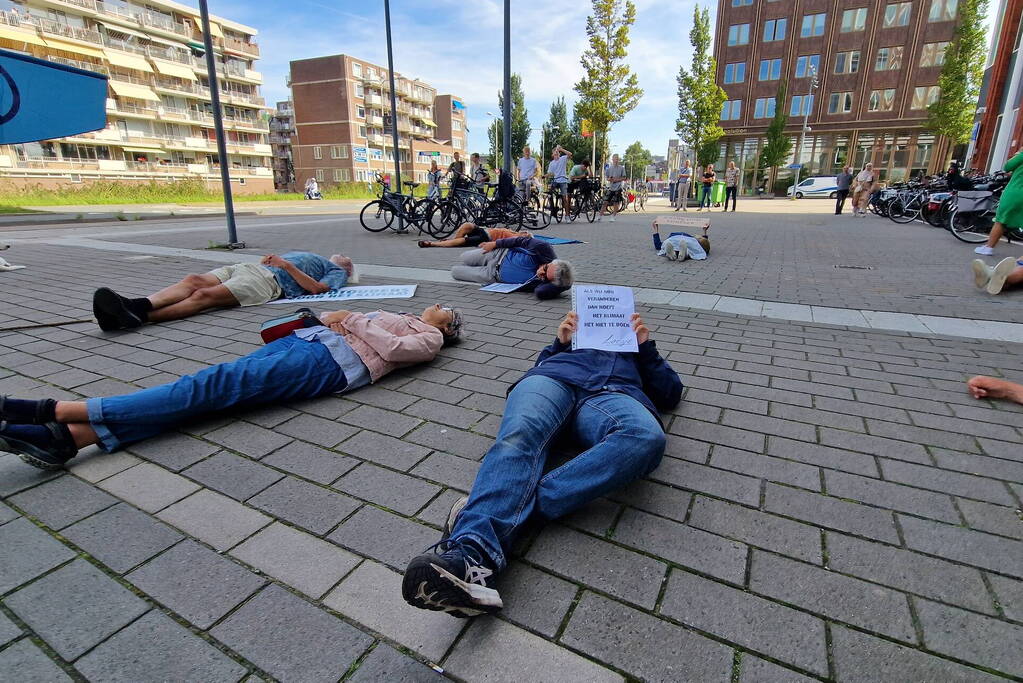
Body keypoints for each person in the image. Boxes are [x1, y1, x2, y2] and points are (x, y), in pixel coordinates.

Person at [401, 309, 682, 617]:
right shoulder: (569, 345)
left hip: (611, 395)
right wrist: (560, 342)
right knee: (518, 438)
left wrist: (645, 346)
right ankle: (471, 557)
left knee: (644, 437)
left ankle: (495, 511)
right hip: (552, 380)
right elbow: (540, 364)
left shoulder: (635, 351)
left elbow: (670, 393)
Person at [1, 305, 463, 470]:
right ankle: (69, 440)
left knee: (209, 385)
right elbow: (330, 318)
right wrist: (332, 318)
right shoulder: (402, 314)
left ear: (447, 325)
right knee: (213, 395)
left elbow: (398, 352)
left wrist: (353, 318)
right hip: (307, 342)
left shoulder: (431, 337)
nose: (438, 305)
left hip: (329, 362)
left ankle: (51, 411)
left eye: (444, 309)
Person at [92, 252, 354, 331]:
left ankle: (140, 317)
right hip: (248, 268)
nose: (341, 255)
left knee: (203, 298)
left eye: (345, 258)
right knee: (194, 280)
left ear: (346, 267)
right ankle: (136, 305)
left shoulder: (335, 270)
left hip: (269, 283)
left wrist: (285, 265)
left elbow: (317, 289)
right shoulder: (317, 257)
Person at [450, 235, 574, 299]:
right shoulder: (545, 249)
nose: (541, 272)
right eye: (545, 268)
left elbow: (540, 292)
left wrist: (562, 285)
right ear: (552, 261)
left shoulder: (547, 284)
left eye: (545, 277)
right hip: (497, 254)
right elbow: (520, 241)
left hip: (492, 276)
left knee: (455, 271)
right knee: (464, 257)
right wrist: (494, 243)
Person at [974, 150, 1023, 256]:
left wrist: (1019, 154)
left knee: (1000, 220)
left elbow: (1007, 166)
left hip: (1015, 192)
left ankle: (988, 248)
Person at [418, 223, 528, 248]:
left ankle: (433, 243)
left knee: (463, 241)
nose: (525, 232)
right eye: (525, 232)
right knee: (467, 225)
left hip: (486, 238)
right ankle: (452, 241)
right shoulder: (513, 232)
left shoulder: (515, 239)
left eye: (526, 234)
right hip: (483, 230)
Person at [597, 154, 627, 222]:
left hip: (618, 187)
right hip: (611, 187)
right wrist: (609, 179)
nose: (616, 160)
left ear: (618, 160)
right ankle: (600, 216)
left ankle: (613, 216)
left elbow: (624, 177)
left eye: (617, 159)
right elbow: (607, 178)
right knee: (605, 202)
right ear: (612, 159)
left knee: (615, 202)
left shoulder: (621, 168)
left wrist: (617, 180)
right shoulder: (609, 168)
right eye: (614, 159)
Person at [546, 145, 572, 219]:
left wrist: (561, 149)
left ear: (559, 154)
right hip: (555, 181)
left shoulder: (563, 159)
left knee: (565, 198)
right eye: (555, 153)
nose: (556, 154)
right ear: (552, 155)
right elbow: (550, 173)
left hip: (563, 180)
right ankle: (552, 209)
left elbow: (570, 154)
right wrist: (545, 176)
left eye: (557, 153)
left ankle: (567, 216)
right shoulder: (551, 163)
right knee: (549, 194)